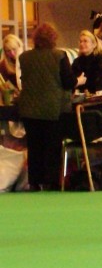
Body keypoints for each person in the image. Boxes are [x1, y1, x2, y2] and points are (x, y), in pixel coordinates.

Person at [17, 23, 75, 190]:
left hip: (28, 109)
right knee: (52, 147)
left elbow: (25, 80)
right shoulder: (60, 55)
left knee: (34, 147)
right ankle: (51, 181)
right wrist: (79, 80)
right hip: (52, 109)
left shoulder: (24, 57)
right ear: (53, 38)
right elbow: (68, 81)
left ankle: (34, 181)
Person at [71, 29, 102, 93]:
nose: (82, 44)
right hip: (84, 100)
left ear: (94, 44)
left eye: (85, 41)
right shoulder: (76, 63)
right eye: (80, 41)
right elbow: (72, 84)